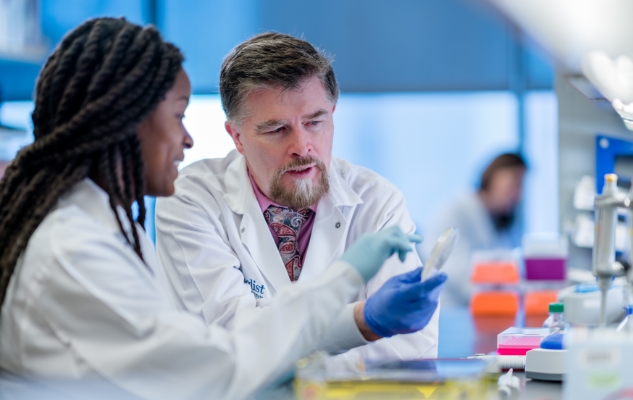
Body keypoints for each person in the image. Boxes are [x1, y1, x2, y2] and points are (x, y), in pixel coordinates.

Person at [0, 18, 446, 399]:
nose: (188, 139)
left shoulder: (108, 229)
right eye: (179, 116)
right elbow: (218, 363)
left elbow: (410, 354)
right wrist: (355, 303)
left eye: (315, 121)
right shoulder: (75, 250)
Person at [155, 33, 439, 365]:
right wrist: (362, 324)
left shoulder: (378, 201)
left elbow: (410, 348)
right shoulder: (192, 199)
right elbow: (230, 344)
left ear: (332, 115)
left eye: (314, 122)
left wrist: (292, 356)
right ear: (237, 137)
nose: (302, 147)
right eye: (277, 129)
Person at [422, 153, 526, 308]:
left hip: (480, 308)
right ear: (492, 177)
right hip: (450, 308)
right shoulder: (456, 212)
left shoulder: (501, 220)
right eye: (515, 183)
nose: (518, 194)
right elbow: (455, 272)